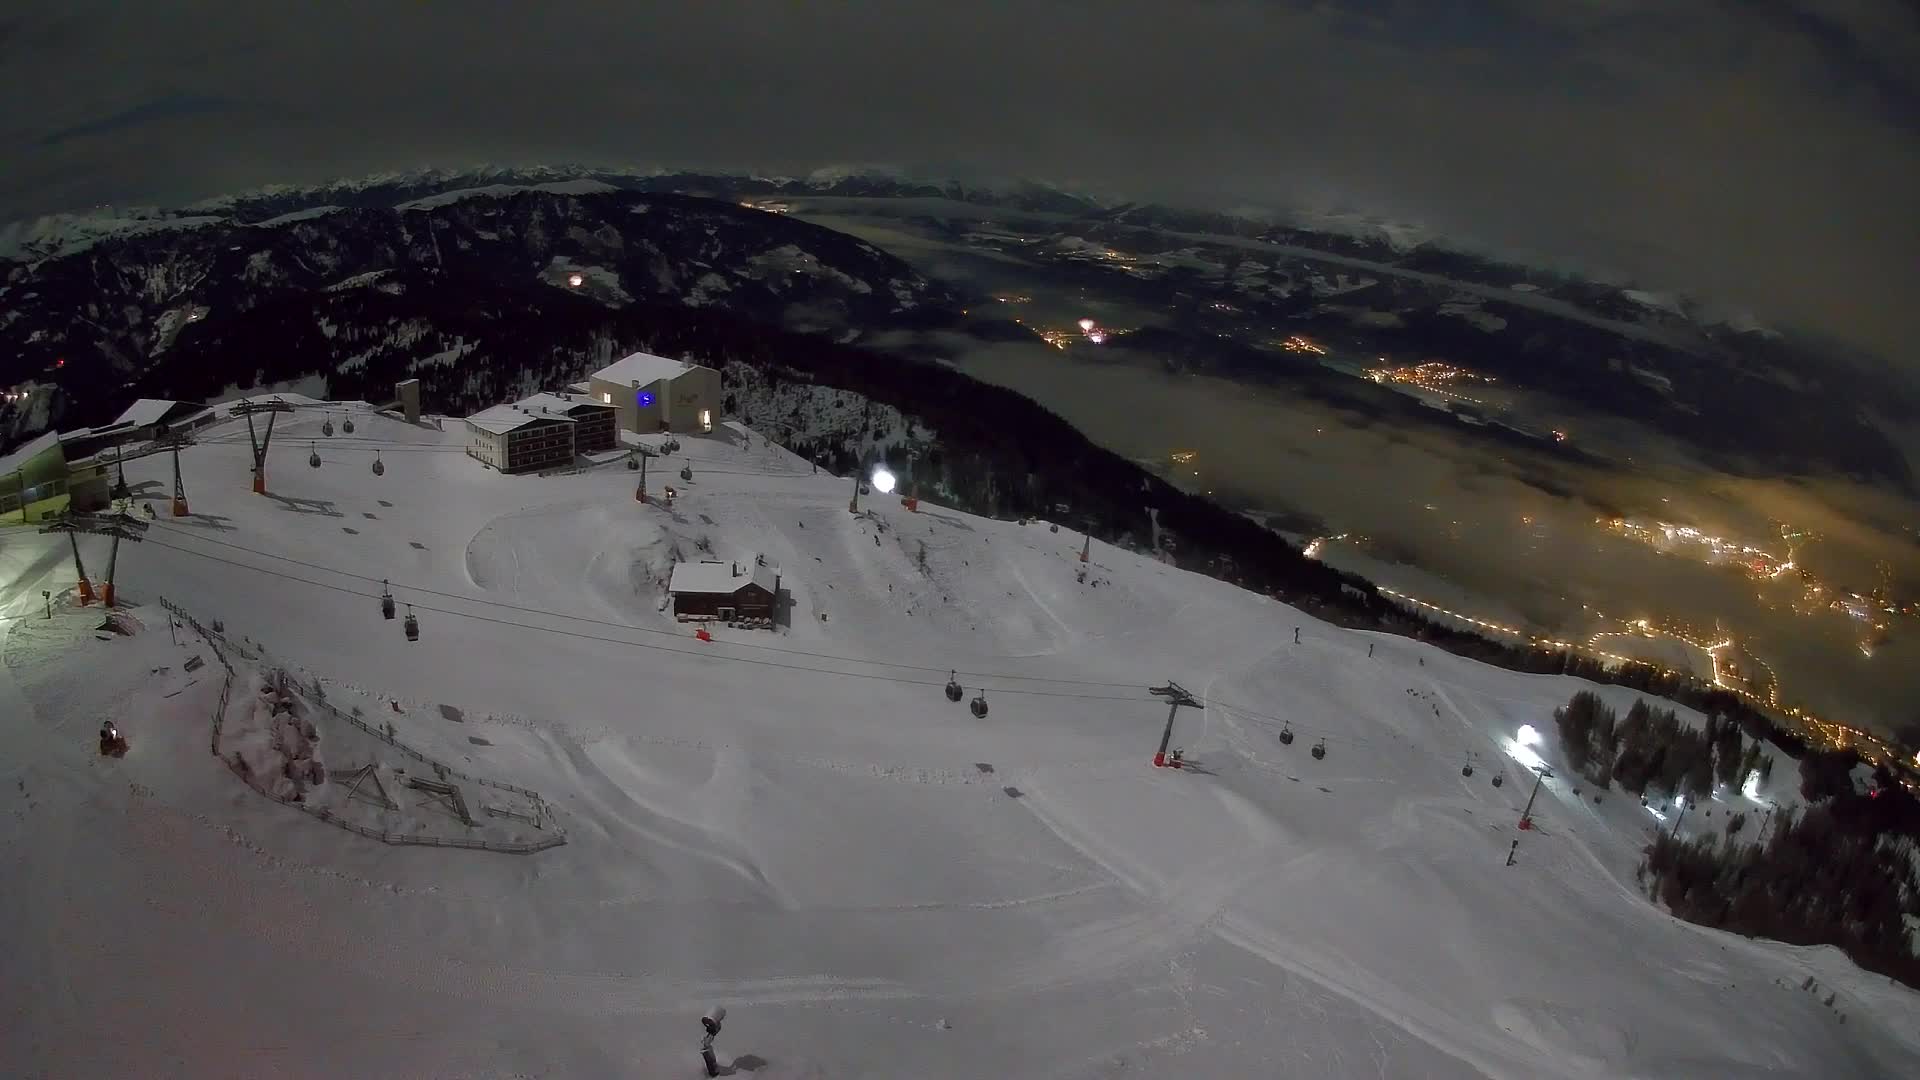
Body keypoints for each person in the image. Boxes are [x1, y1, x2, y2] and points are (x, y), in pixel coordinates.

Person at [700, 1007, 726, 1077]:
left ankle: (713, 1069)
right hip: (710, 1021)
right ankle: (713, 1069)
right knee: (707, 1046)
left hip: (710, 1022)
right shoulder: (714, 1021)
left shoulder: (716, 1023)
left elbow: (712, 1029)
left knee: (707, 1045)